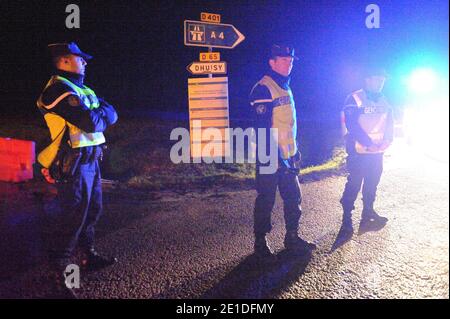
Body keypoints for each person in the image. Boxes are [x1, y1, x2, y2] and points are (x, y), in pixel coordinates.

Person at [36, 42, 118, 298]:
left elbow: (113, 113)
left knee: (92, 211)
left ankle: (86, 256)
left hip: (91, 162)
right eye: (80, 58)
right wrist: (99, 114)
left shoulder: (83, 89)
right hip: (71, 165)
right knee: (71, 218)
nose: (85, 62)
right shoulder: (57, 91)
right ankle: (57, 275)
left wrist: (99, 114)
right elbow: (92, 122)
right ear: (64, 61)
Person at [249, 44, 316, 259]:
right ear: (272, 62)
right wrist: (278, 159)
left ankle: (292, 238)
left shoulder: (285, 86)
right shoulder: (263, 88)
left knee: (293, 198)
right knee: (266, 200)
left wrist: (294, 152)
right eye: (284, 60)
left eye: (291, 61)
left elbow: (288, 124)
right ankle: (260, 244)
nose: (289, 64)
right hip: (270, 157)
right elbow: (262, 129)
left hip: (287, 157)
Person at [339, 66, 394, 236]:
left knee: (372, 183)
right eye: (377, 79)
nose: (380, 83)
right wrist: (368, 143)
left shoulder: (384, 100)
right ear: (367, 80)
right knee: (354, 184)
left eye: (382, 80)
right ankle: (346, 219)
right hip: (359, 152)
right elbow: (351, 125)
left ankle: (368, 212)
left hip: (377, 153)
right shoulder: (355, 98)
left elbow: (389, 123)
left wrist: (387, 140)